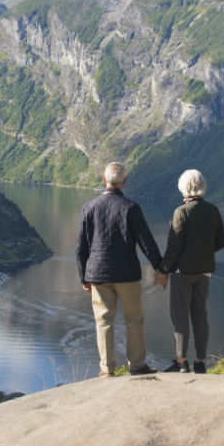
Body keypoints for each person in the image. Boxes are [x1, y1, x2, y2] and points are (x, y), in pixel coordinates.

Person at [76, 161, 166, 377]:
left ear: (104, 180)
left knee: (104, 321)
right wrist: (160, 268)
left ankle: (107, 369)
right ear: (124, 181)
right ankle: (136, 366)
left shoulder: (89, 207)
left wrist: (83, 277)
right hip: (127, 275)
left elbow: (81, 246)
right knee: (134, 319)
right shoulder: (131, 207)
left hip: (98, 274)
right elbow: (147, 243)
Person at [156, 169, 224, 374]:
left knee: (180, 315)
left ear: (183, 188)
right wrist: (204, 252)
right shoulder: (212, 210)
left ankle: (182, 362)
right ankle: (201, 362)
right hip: (204, 271)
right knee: (200, 314)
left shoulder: (181, 212)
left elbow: (174, 247)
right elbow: (221, 241)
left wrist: (163, 269)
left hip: (182, 272)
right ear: (202, 186)